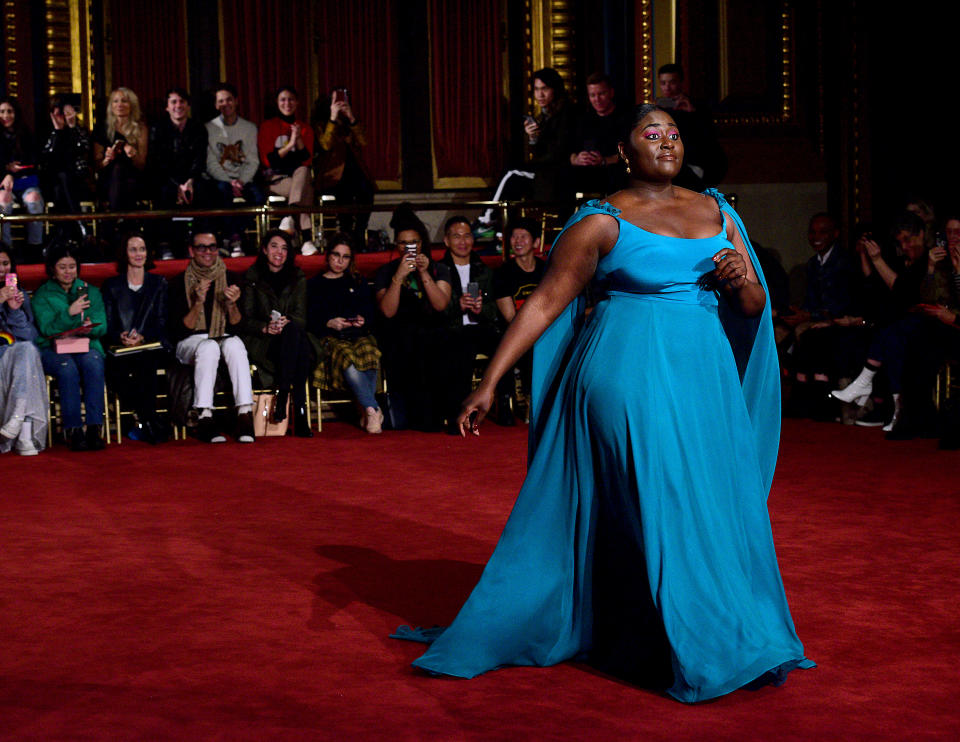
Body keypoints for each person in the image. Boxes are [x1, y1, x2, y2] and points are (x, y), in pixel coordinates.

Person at [398, 104, 813, 703]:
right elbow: (545, 302)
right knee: (664, 496)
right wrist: (489, 380)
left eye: (673, 132)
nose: (666, 141)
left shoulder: (718, 211)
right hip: (627, 372)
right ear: (626, 150)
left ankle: (662, 628)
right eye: (652, 133)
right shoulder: (601, 219)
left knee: (707, 500)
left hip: (704, 377)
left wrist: (741, 278)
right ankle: (678, 641)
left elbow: (751, 307)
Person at [169, 229, 255, 443]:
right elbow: (179, 331)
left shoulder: (232, 279)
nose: (207, 252)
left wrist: (232, 305)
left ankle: (245, 414)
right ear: (191, 251)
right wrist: (198, 302)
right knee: (209, 347)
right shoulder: (178, 282)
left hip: (223, 336)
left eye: (212, 247)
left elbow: (239, 326)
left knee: (235, 344)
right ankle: (205, 417)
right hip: (190, 342)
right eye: (201, 247)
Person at [373, 205, 451, 430]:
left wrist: (424, 273)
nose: (410, 248)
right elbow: (387, 311)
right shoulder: (386, 272)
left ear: (422, 243)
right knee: (408, 344)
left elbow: (440, 304)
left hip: (432, 331)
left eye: (414, 242)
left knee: (440, 343)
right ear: (397, 246)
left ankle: (436, 414)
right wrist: (398, 277)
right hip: (400, 334)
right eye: (403, 243)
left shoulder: (437, 269)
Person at [32, 240, 107, 451]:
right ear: (52, 269)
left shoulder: (89, 291)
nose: (68, 272)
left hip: (84, 344)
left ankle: (94, 427)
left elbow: (102, 324)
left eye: (72, 267)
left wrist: (89, 328)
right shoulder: (43, 295)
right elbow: (47, 329)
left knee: (93, 362)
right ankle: (73, 430)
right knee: (67, 368)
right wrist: (70, 313)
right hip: (52, 349)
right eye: (62, 267)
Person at [239, 230, 313, 437]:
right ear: (264, 249)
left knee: (293, 332)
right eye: (274, 246)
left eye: (284, 248)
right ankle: (299, 410)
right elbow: (245, 319)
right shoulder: (252, 277)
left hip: (291, 339)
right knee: (299, 344)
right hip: (263, 342)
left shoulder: (297, 277)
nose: (279, 252)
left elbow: (302, 317)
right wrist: (264, 327)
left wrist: (287, 321)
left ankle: (283, 396)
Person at [306, 233, 383, 433]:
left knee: (370, 352)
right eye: (336, 255)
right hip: (331, 338)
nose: (340, 261)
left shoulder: (357, 281)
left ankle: (367, 408)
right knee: (347, 358)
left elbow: (371, 312)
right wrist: (329, 323)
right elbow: (309, 319)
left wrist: (362, 320)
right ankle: (371, 408)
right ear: (328, 256)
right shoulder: (315, 285)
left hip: (358, 334)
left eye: (345, 257)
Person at [437, 216, 508, 430]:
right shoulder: (440, 270)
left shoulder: (483, 270)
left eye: (467, 235)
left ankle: (503, 406)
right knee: (459, 349)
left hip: (481, 328)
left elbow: (494, 310)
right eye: (456, 236)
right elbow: (434, 311)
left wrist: (480, 309)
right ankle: (459, 414)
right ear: (446, 241)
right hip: (453, 330)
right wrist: (457, 306)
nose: (463, 241)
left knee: (505, 346)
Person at [101, 232, 171, 443]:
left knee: (145, 363)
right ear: (124, 253)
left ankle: (143, 420)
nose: (138, 254)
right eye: (133, 249)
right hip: (119, 348)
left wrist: (143, 337)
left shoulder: (158, 283)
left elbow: (162, 321)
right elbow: (109, 324)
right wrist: (120, 336)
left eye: (142, 249)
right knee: (119, 369)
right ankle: (149, 420)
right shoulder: (111, 285)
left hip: (151, 346)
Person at [492, 217, 547, 411]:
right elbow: (511, 318)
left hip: (545, 328)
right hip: (517, 331)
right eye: (514, 237)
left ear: (536, 242)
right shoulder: (503, 274)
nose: (518, 241)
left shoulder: (547, 270)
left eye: (523, 236)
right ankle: (528, 401)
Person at [205, 82, 264, 255]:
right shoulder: (209, 128)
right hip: (222, 180)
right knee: (222, 194)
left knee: (259, 197)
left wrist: (241, 181)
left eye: (229, 100)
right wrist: (230, 182)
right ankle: (234, 238)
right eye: (221, 101)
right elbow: (211, 163)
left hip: (244, 179)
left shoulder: (249, 128)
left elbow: (253, 160)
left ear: (236, 101)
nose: (225, 104)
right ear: (216, 105)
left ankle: (232, 235)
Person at [312, 87, 375, 247]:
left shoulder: (351, 123)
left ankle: (360, 231)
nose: (340, 104)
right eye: (336, 100)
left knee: (367, 189)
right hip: (331, 174)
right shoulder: (321, 124)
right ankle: (347, 232)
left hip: (355, 171)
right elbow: (326, 144)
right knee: (344, 189)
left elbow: (364, 142)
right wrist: (333, 118)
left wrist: (351, 118)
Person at [149, 87, 210, 254]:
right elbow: (158, 163)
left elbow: (200, 159)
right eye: (173, 102)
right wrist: (177, 186)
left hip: (192, 178)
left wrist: (190, 181)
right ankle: (164, 243)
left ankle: (201, 243)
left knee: (205, 190)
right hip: (166, 178)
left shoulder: (198, 128)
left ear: (188, 106)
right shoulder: (158, 128)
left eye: (182, 101)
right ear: (167, 107)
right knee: (162, 191)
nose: (178, 105)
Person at [258, 86, 317, 255]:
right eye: (283, 99)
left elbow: (306, 159)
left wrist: (298, 138)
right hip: (276, 180)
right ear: (277, 103)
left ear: (297, 103)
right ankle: (306, 239)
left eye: (291, 99)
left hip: (297, 179)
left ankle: (290, 217)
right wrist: (290, 144)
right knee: (305, 190)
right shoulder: (268, 127)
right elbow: (268, 160)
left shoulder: (304, 128)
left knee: (303, 171)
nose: (287, 103)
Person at [0, 245, 47, 454]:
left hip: (14, 356)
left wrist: (14, 311)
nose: (1, 268)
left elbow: (30, 336)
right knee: (26, 359)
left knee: (28, 350)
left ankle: (18, 423)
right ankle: (23, 433)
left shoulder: (19, 294)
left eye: (5, 264)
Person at [655, 64, 726, 190]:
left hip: (696, 161)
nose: (667, 87)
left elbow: (708, 137)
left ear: (681, 83)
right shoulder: (658, 110)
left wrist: (692, 113)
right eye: (663, 83)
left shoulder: (697, 107)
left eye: (672, 82)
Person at [40, 93, 93, 241]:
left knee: (63, 185)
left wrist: (72, 127)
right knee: (60, 183)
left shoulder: (78, 130)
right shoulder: (46, 132)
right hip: (52, 182)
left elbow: (84, 149)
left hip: (77, 181)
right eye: (58, 113)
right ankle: (80, 225)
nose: (62, 116)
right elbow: (47, 159)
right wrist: (57, 131)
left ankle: (62, 235)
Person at [569, 73, 630, 196]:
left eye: (601, 94)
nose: (597, 99)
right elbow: (569, 151)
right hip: (586, 177)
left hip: (617, 178)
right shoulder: (583, 120)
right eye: (592, 95)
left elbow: (632, 153)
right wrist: (577, 159)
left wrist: (604, 161)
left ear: (611, 93)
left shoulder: (626, 118)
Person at [0, 96, 45, 258]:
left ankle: (35, 247)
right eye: (2, 112)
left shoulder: (26, 134)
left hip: (25, 181)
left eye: (9, 111)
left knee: (34, 199)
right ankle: (6, 249)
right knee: (3, 201)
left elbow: (34, 160)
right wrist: (6, 171)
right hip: (4, 184)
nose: (6, 116)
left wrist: (14, 170)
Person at [92, 87, 148, 213]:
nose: (120, 105)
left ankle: (113, 222)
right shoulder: (102, 128)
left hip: (134, 176)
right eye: (115, 101)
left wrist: (133, 155)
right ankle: (125, 226)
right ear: (111, 106)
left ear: (132, 105)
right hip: (108, 178)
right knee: (117, 169)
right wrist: (106, 159)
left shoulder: (140, 128)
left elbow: (141, 165)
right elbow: (97, 166)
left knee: (124, 175)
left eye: (124, 101)